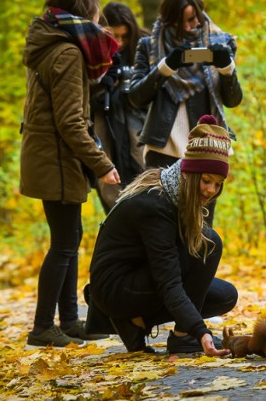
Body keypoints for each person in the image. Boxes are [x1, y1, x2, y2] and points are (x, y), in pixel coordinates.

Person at [20, 0, 121, 347]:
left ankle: (68, 321)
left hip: (51, 156)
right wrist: (101, 163)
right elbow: (70, 121)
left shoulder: (50, 43)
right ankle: (43, 327)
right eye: (95, 5)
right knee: (64, 242)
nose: (99, 13)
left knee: (69, 238)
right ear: (84, 9)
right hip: (57, 160)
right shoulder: (67, 52)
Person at [87, 115, 238, 355]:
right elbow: (168, 282)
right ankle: (181, 336)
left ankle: (138, 322)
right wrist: (199, 331)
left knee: (225, 295)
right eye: (206, 180)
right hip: (114, 288)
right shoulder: (156, 204)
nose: (211, 190)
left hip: (140, 276)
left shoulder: (175, 192)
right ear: (189, 173)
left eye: (218, 184)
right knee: (208, 244)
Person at [126, 0, 242, 170]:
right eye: (180, 23)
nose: (188, 27)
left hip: (207, 145)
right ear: (168, 20)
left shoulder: (222, 42)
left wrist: (226, 68)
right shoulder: (149, 46)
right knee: (158, 199)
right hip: (162, 148)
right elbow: (135, 98)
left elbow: (233, 100)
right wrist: (166, 66)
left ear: (200, 12)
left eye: (192, 19)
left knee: (203, 199)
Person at [92, 2, 150, 213]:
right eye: (114, 36)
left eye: (124, 36)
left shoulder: (145, 44)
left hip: (139, 120)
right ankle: (118, 222)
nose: (120, 42)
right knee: (109, 178)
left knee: (143, 170)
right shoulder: (91, 50)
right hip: (104, 120)